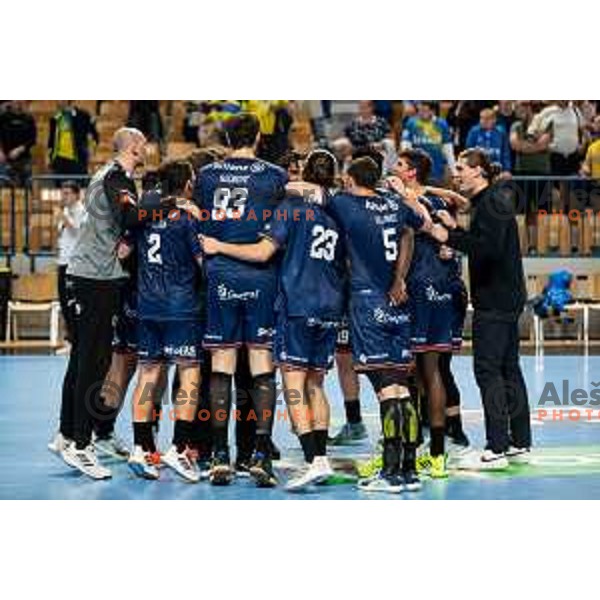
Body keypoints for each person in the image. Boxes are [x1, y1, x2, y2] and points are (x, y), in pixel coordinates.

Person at [201, 150, 346, 491]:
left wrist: (218, 245)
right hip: (330, 305)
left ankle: (229, 453)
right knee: (314, 384)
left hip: (295, 302)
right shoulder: (340, 213)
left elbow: (263, 252)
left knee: (287, 381)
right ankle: (267, 454)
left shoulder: (290, 208)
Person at [49, 128, 163, 479]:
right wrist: (165, 201)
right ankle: (83, 446)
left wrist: (128, 235)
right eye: (143, 143)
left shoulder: (110, 176)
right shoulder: (116, 177)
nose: (147, 148)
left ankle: (67, 435)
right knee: (94, 363)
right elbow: (131, 216)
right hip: (94, 280)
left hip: (89, 276)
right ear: (133, 147)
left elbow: (123, 223)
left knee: (84, 358)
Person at [327, 156, 440, 493]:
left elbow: (314, 197)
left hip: (367, 301)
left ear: (349, 179)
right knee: (401, 387)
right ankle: (408, 470)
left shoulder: (345, 203)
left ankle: (391, 472)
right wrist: (400, 277)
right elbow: (416, 226)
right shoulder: (392, 203)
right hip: (399, 302)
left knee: (387, 389)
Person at [194, 113, 288, 487]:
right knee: (262, 366)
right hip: (261, 277)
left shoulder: (207, 175)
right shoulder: (275, 175)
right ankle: (261, 455)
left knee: (222, 364)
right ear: (260, 136)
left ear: (227, 137)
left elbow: (200, 223)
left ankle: (219, 456)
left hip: (220, 276)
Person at [431, 148, 532, 469]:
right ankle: (518, 441)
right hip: (507, 298)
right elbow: (484, 243)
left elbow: (485, 250)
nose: (456, 173)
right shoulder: (491, 202)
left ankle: (497, 447)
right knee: (508, 369)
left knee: (488, 371)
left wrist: (448, 235)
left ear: (478, 172)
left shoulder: (491, 203)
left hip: (496, 302)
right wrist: (457, 232)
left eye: (461, 168)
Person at [127, 160, 204, 482]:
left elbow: (121, 252)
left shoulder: (145, 217)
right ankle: (178, 447)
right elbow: (203, 262)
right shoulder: (186, 219)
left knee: (147, 374)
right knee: (189, 372)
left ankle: (141, 448)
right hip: (180, 307)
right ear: (187, 184)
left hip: (147, 306)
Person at [390, 149, 457, 478]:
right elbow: (456, 215)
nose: (394, 168)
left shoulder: (407, 200)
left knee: (407, 375)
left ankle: (410, 455)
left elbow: (432, 229)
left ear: (412, 171)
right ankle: (437, 454)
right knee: (430, 372)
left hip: (417, 288)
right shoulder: (437, 199)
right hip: (440, 288)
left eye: (400, 165)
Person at [55, 181, 85, 341]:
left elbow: (79, 234)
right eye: (63, 193)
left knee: (73, 303)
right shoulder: (65, 210)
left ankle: (78, 337)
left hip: (75, 264)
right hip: (63, 261)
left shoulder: (82, 211)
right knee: (64, 301)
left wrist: (65, 218)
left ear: (76, 194)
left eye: (67, 193)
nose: (64, 197)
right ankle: (71, 338)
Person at [401, 101, 456, 184]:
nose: (421, 113)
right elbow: (405, 145)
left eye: (424, 111)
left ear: (432, 111)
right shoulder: (411, 123)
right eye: (420, 111)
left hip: (437, 170)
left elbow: (448, 149)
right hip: (416, 170)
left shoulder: (441, 124)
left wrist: (454, 170)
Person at [531, 101, 583, 175]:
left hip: (574, 157)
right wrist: (546, 145)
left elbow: (581, 129)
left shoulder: (575, 110)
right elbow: (535, 130)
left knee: (573, 185)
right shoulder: (548, 111)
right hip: (557, 157)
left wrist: (581, 145)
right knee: (557, 185)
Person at [48, 101, 99, 176]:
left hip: (78, 159)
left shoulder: (83, 115)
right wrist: (49, 156)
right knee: (59, 186)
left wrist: (92, 149)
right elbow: (51, 139)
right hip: (59, 160)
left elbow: (93, 135)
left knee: (79, 185)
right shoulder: (55, 118)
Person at [0, 100, 37, 185]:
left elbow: (33, 139)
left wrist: (20, 149)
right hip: (6, 159)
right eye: (15, 101)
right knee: (5, 188)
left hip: (24, 159)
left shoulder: (28, 118)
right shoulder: (3, 118)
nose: (18, 103)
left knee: (26, 188)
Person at [465, 109, 511, 174]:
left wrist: (507, 170)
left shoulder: (501, 132)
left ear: (494, 120)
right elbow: (469, 150)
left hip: (497, 169)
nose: (483, 121)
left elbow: (505, 152)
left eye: (487, 119)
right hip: (478, 171)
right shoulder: (474, 132)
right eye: (481, 118)